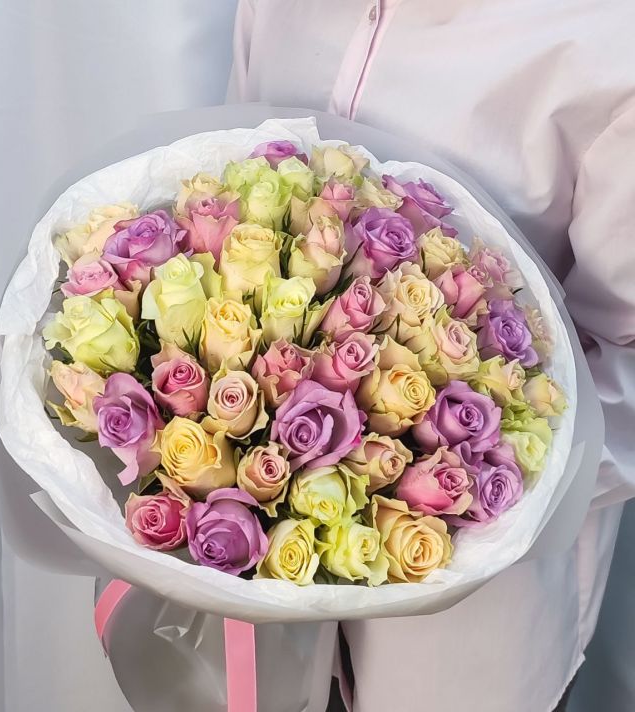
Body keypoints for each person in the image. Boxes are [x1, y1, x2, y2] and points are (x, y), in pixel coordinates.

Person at [227, 2, 635, 711]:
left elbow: (627, 372)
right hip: (244, 597)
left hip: (465, 633)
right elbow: (227, 180)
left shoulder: (610, 46)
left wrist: (435, 471)